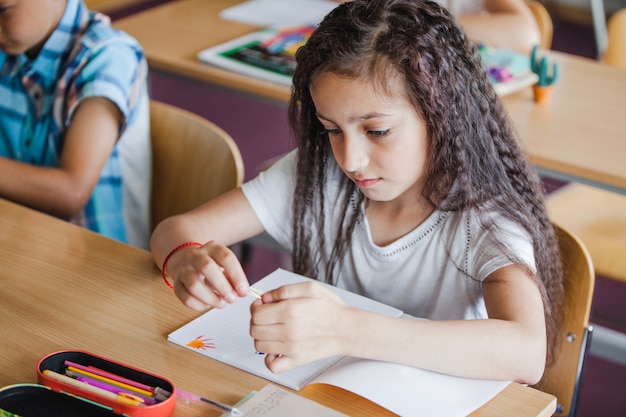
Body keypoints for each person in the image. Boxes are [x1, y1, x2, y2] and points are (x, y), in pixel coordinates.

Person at [151, 0, 563, 385]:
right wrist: (185, 256)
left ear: (442, 113)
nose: (351, 159)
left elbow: (526, 352)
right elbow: (178, 229)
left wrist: (346, 330)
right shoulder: (318, 176)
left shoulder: (484, 218)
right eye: (332, 130)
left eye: (376, 131)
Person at [0, 0, 151, 248]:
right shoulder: (10, 48)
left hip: (97, 264)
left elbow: (71, 191)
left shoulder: (106, 57)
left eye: (2, 10)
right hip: (20, 243)